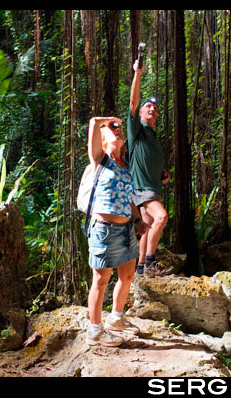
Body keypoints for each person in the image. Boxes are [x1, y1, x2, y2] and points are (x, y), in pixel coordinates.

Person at [85, 116, 149, 347]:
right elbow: (93, 123)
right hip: (104, 229)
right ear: (103, 139)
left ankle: (116, 318)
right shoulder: (100, 160)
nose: (118, 131)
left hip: (126, 229)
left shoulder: (125, 165)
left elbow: (128, 196)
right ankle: (94, 331)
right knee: (101, 280)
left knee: (127, 275)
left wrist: (138, 218)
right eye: (113, 130)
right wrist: (105, 121)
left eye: (120, 129)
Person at [128, 59, 172, 277]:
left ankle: (139, 272)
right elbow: (133, 103)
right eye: (148, 107)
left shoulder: (153, 136)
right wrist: (138, 74)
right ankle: (151, 263)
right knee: (161, 217)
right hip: (141, 189)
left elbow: (149, 162)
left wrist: (163, 175)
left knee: (146, 226)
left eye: (155, 108)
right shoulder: (137, 129)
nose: (152, 109)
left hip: (152, 187)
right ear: (142, 113)